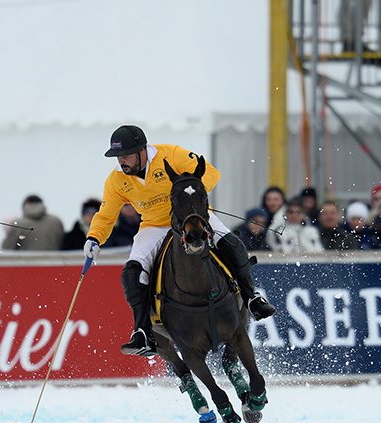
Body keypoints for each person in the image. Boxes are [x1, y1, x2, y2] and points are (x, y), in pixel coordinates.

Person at [84, 125, 275, 357]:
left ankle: (251, 297)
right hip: (154, 225)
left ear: (142, 151)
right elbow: (106, 215)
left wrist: (188, 195)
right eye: (117, 157)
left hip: (191, 217)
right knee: (132, 272)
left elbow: (211, 172)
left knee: (231, 242)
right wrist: (94, 238)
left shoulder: (171, 154)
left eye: (126, 156)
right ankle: (143, 332)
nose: (121, 161)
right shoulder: (116, 180)